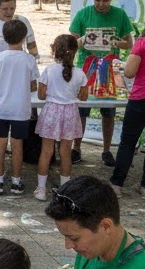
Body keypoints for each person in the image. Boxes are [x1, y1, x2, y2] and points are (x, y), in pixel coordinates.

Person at [109, 1, 145, 200]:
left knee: (128, 141)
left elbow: (129, 72)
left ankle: (117, 184)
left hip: (142, 97)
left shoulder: (144, 42)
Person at [70, 0, 134, 166]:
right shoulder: (83, 14)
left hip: (109, 70)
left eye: (105, 0)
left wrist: (114, 42)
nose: (101, 4)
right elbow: (70, 44)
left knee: (108, 112)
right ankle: (76, 148)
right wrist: (82, 40)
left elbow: (129, 44)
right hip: (86, 69)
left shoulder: (119, 14)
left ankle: (106, 150)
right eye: (97, 0)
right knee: (81, 110)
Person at [0, 19, 39, 196]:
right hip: (20, 109)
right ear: (24, 37)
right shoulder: (29, 59)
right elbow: (33, 85)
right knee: (17, 145)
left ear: (4, 37)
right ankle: (16, 182)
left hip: (1, 107)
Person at [34, 35, 88, 202]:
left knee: (46, 151)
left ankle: (41, 189)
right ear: (75, 52)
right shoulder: (80, 73)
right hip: (70, 113)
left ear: (54, 50)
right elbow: (84, 97)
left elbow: (41, 95)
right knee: (65, 153)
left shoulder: (49, 70)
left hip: (51, 112)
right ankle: (65, 189)